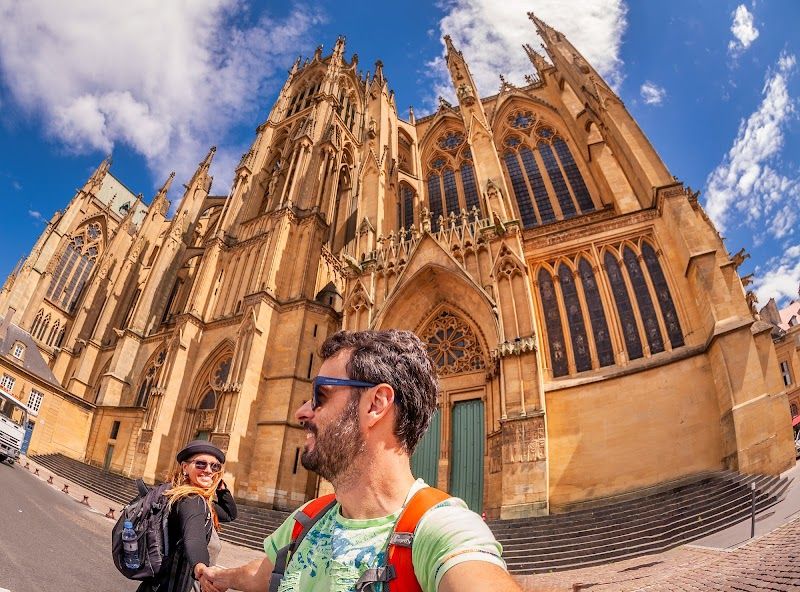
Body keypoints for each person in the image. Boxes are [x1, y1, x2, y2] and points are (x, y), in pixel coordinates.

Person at [199, 329, 521, 592]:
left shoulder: (441, 531)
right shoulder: (305, 520)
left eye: (319, 396)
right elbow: (265, 574)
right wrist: (222, 577)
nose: (301, 412)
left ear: (376, 404)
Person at [140, 440, 237, 592]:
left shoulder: (184, 494)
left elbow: (229, 514)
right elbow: (194, 537)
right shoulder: (192, 500)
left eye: (215, 466)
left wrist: (221, 488)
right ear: (185, 467)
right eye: (200, 464)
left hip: (157, 585)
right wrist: (201, 568)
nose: (209, 470)